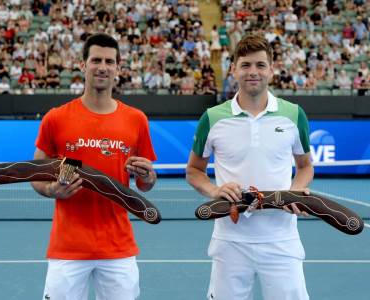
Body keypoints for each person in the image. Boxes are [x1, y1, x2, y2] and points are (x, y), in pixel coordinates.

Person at [186, 34, 313, 300]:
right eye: (245, 65)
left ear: (271, 69)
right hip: (230, 242)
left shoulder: (294, 114)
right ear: (233, 69)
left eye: (260, 65)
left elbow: (304, 166)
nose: (253, 72)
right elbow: (194, 170)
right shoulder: (212, 118)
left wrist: (296, 191)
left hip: (282, 240)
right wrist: (214, 190)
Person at [31, 33, 157, 300]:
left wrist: (148, 176)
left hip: (118, 249)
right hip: (68, 249)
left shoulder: (136, 120)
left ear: (118, 68)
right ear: (82, 65)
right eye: (96, 59)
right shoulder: (56, 118)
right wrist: (53, 189)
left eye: (109, 61)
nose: (102, 66)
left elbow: (145, 183)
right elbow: (36, 174)